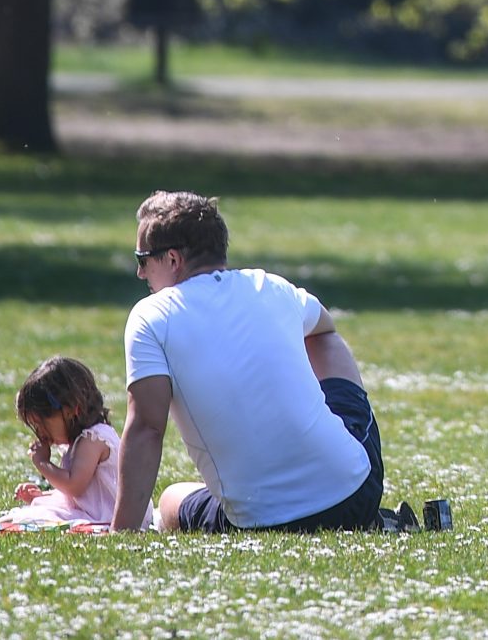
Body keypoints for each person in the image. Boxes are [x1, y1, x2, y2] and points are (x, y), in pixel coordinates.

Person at [112, 191, 384, 534]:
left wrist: (120, 533)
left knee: (170, 500)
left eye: (142, 258)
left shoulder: (151, 316)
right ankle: (336, 460)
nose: (139, 272)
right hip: (355, 496)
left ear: (172, 259)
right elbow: (324, 331)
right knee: (325, 340)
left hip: (262, 522)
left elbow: (147, 429)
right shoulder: (270, 285)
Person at [0, 355, 122, 527]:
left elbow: (74, 485)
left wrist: (42, 462)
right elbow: (83, 496)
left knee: (37, 516)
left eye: (41, 424)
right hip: (94, 511)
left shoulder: (92, 440)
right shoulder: (82, 440)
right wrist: (43, 496)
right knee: (37, 510)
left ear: (71, 410)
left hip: (106, 516)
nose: (40, 432)